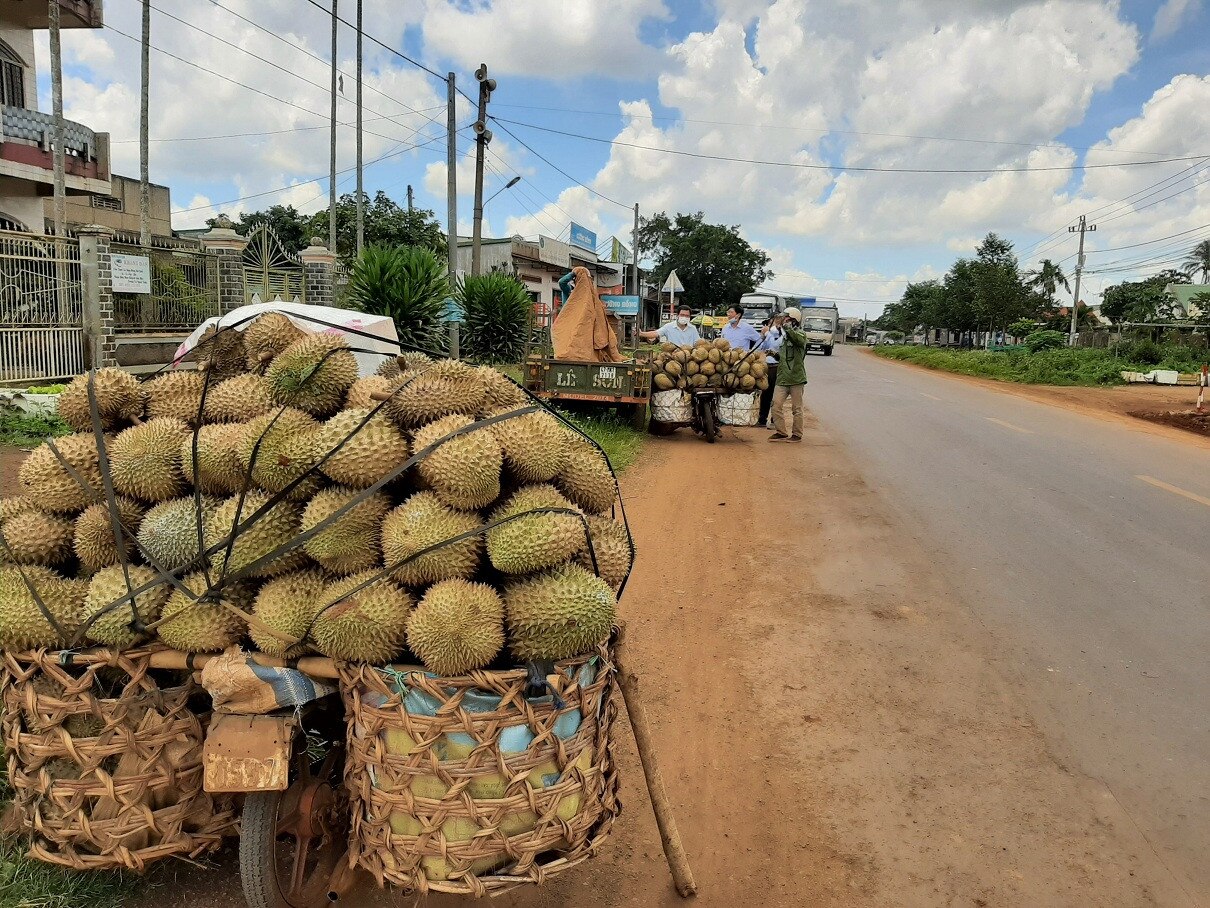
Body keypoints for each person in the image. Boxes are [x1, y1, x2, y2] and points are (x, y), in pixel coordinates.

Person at [769, 307, 807, 442]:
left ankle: (797, 434)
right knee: (775, 405)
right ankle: (781, 432)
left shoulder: (800, 334)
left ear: (794, 320)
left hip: (796, 378)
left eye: (786, 318)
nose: (783, 321)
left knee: (796, 408)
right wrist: (774, 354)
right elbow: (784, 358)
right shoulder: (784, 337)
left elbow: (799, 341)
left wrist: (788, 328)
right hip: (783, 378)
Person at [758, 314, 784, 427]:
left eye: (771, 324)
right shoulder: (771, 334)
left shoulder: (783, 334)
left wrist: (768, 333)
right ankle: (762, 419)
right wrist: (763, 336)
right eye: (768, 324)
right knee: (765, 393)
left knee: (775, 395)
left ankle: (774, 420)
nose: (769, 326)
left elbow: (776, 345)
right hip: (767, 365)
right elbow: (763, 347)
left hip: (777, 366)